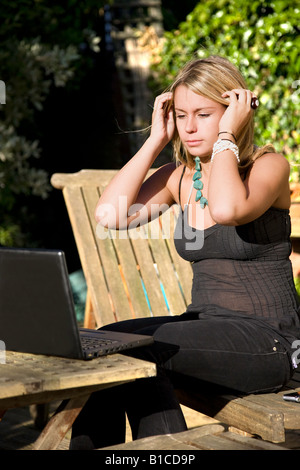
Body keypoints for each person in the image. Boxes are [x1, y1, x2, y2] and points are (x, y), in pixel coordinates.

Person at [70, 55, 300, 449]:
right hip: (206, 326)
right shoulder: (180, 178)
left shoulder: (268, 167)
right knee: (107, 344)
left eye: (205, 114)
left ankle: (172, 454)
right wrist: (156, 139)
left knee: (142, 357)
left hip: (272, 341)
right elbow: (109, 214)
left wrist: (228, 134)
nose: (189, 126)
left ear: (234, 112)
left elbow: (228, 209)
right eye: (181, 114)